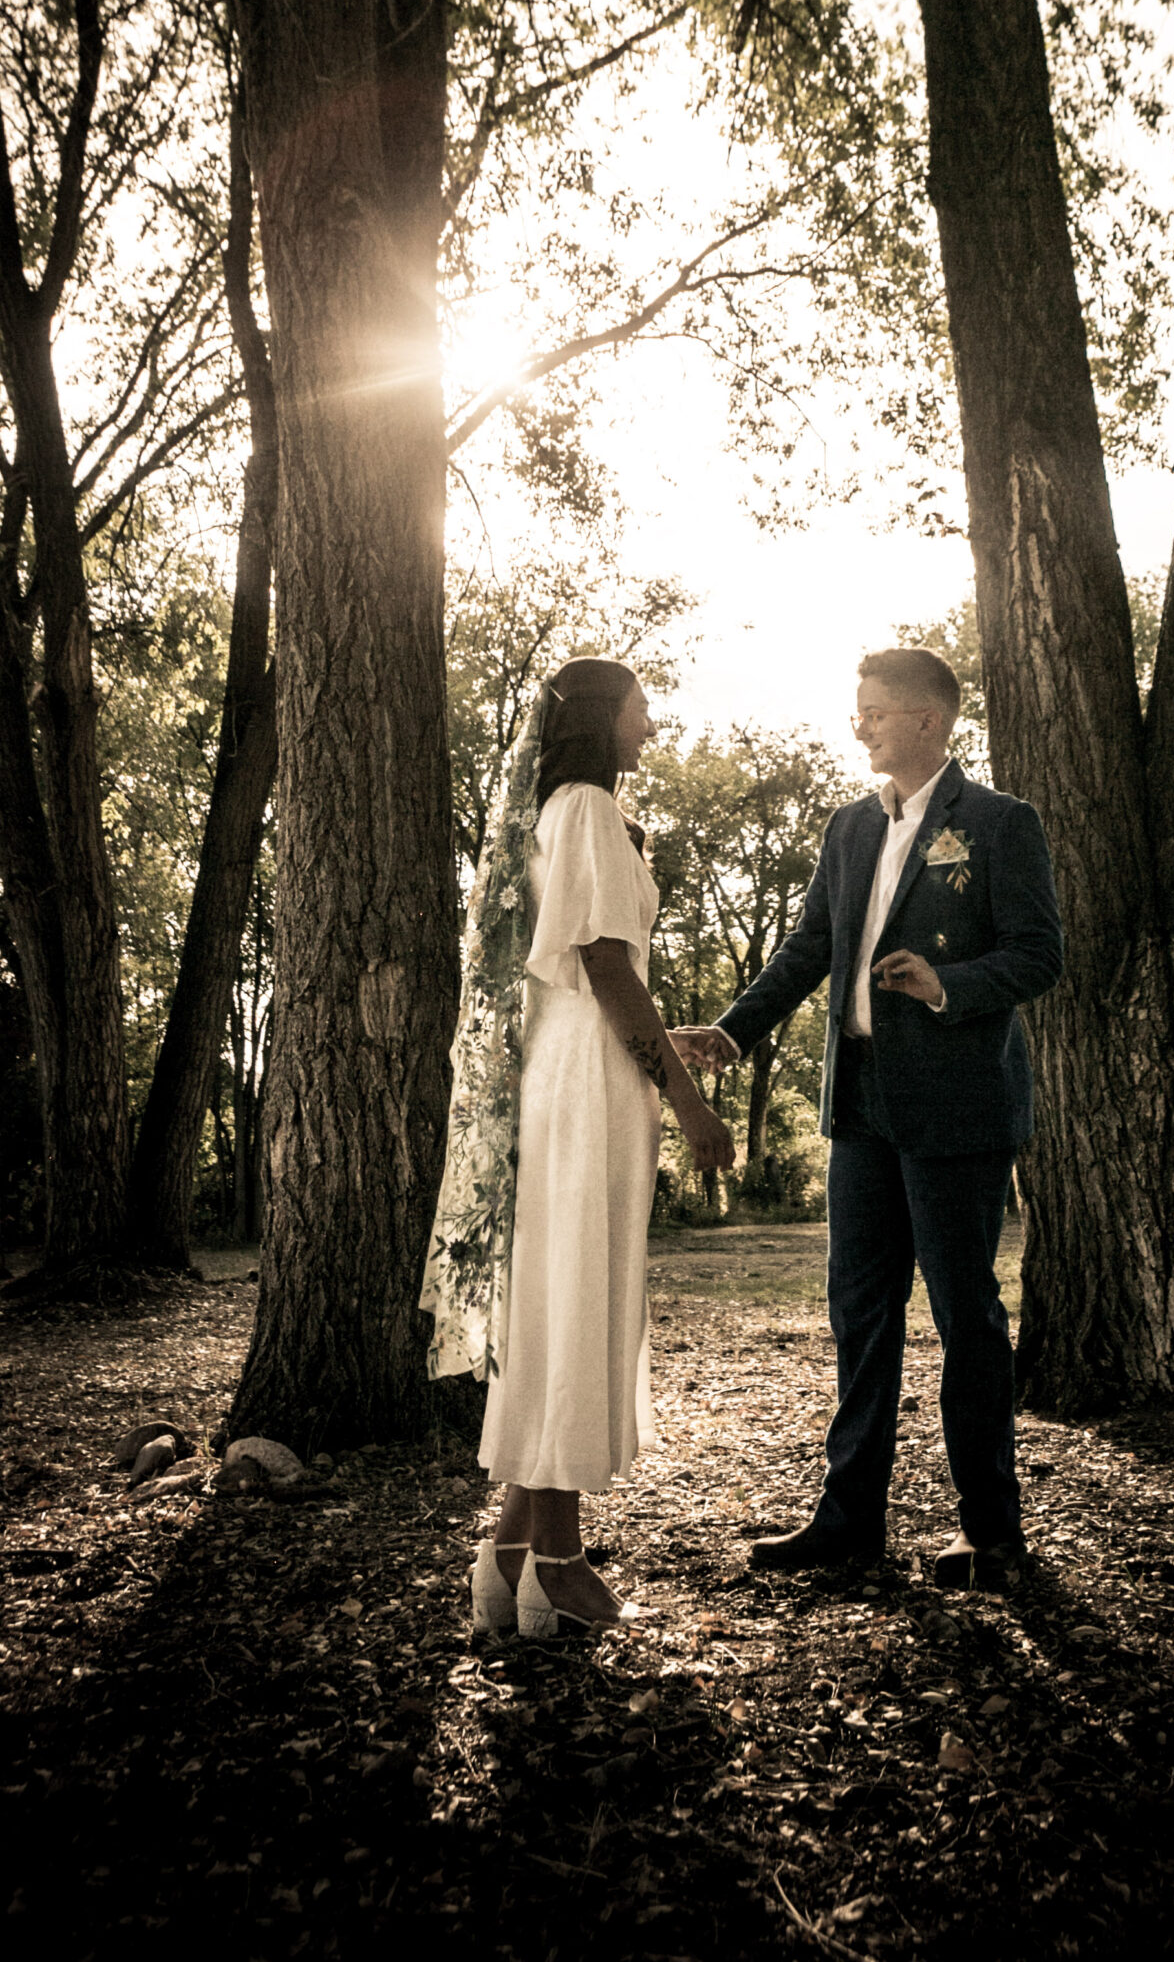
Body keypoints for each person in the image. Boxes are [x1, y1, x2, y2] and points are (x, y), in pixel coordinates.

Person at [673, 647, 1062, 1590]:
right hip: (859, 1106)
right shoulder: (849, 826)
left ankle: (992, 1534)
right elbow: (810, 945)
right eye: (859, 711)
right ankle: (848, 1522)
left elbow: (1038, 953)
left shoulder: (1000, 823)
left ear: (927, 720)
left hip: (958, 1106)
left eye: (875, 712)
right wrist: (733, 1030)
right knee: (859, 1314)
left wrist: (945, 983)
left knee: (966, 1318)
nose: (860, 726)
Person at [422, 658, 734, 1638]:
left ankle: (508, 1556)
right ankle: (559, 1565)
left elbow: (587, 982)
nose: (652, 726)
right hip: (587, 1092)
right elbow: (602, 962)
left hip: (571, 1072)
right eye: (642, 709)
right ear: (602, 717)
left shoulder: (553, 813)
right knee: (572, 1305)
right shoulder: (590, 806)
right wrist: (687, 1100)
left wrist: (666, 1042)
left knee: (563, 1299)